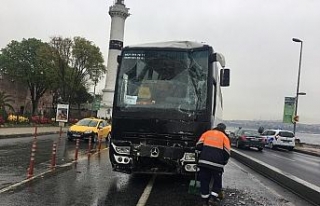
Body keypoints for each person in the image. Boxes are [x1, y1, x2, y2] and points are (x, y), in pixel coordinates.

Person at [196, 123, 231, 206]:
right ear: (224, 129)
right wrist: (224, 162)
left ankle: (204, 200)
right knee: (217, 182)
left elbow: (198, 147)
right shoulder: (224, 137)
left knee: (204, 181)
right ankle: (213, 198)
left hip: (204, 163)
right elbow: (227, 153)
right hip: (217, 165)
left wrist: (198, 160)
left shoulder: (207, 133)